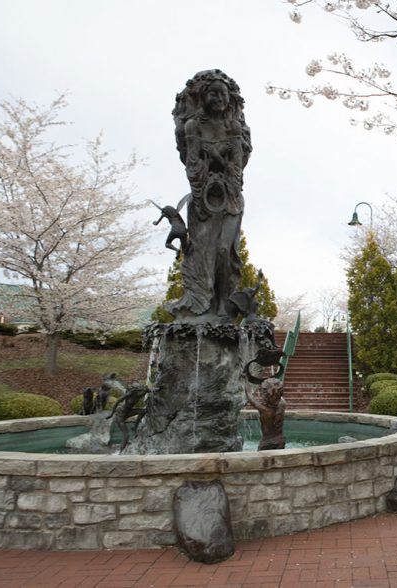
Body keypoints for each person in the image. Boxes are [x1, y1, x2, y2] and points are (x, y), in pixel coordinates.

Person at [168, 69, 253, 322]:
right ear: (203, 97)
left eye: (223, 94)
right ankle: (199, 302)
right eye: (213, 93)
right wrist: (209, 169)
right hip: (202, 198)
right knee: (201, 252)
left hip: (231, 198)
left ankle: (222, 306)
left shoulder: (234, 127)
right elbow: (192, 163)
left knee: (225, 250)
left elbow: (237, 166)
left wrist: (216, 157)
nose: (219, 98)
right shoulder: (194, 126)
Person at [248, 378, 286, 450]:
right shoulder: (282, 403)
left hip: (267, 442)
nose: (262, 393)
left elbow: (250, 398)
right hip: (280, 440)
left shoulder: (264, 409)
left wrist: (245, 381)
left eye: (264, 391)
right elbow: (277, 394)